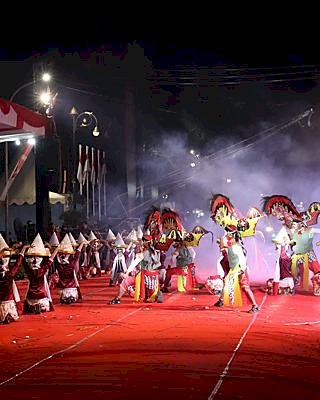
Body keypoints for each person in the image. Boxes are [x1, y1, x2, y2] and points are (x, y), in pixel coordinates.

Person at [214, 226, 259, 313]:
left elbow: (242, 259)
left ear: (234, 238)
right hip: (233, 269)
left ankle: (255, 305)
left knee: (245, 287)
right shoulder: (231, 246)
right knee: (227, 283)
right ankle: (221, 300)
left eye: (230, 237)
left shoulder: (237, 247)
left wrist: (242, 270)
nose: (228, 239)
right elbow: (223, 245)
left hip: (239, 269)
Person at [24, 234, 59, 314]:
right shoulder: (42, 269)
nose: (35, 260)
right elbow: (51, 258)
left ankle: (34, 307)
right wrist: (52, 248)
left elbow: (21, 259)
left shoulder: (29, 270)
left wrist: (23, 249)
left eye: (37, 257)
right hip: (41, 296)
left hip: (31, 297)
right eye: (33, 257)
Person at [0, 235, 28, 324]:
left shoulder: (9, 274)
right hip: (9, 304)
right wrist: (23, 249)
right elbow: (18, 262)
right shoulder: (10, 274)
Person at [55, 234, 85, 304]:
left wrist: (54, 249)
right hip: (71, 288)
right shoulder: (72, 264)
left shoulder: (58, 265)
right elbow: (78, 253)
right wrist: (82, 243)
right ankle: (69, 298)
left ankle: (66, 298)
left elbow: (54, 258)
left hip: (61, 289)